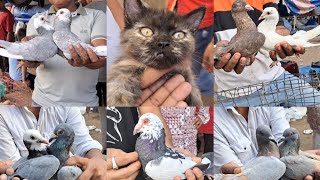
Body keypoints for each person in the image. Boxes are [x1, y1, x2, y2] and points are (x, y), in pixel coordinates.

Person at [210, 0, 320, 106]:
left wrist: (280, 40)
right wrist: (212, 54)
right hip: (235, 93)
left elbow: (280, 27)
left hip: (278, 77)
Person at [23, 0, 106, 106]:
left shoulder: (96, 15)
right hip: (42, 101)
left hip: (84, 102)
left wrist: (85, 61)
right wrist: (27, 57)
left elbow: (101, 59)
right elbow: (34, 62)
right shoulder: (38, 19)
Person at [0, 107, 108, 180]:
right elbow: (12, 166)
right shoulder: (3, 113)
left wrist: (97, 161)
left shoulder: (65, 100)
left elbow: (85, 143)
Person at [214, 107, 320, 179]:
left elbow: (282, 140)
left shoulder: (270, 99)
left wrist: (303, 157)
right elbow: (238, 170)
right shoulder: (215, 119)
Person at [106, 107, 206, 180]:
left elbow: (148, 106)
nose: (138, 126)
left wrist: (167, 144)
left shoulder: (153, 166)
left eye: (144, 121)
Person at [167, 0, 214, 99]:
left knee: (191, 73)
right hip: (177, 15)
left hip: (199, 24)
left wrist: (213, 41)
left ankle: (205, 96)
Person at [0, 0, 14, 73]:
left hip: (4, 47)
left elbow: (10, 33)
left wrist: (6, 47)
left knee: (6, 68)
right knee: (1, 67)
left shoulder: (8, 15)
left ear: (2, 2)